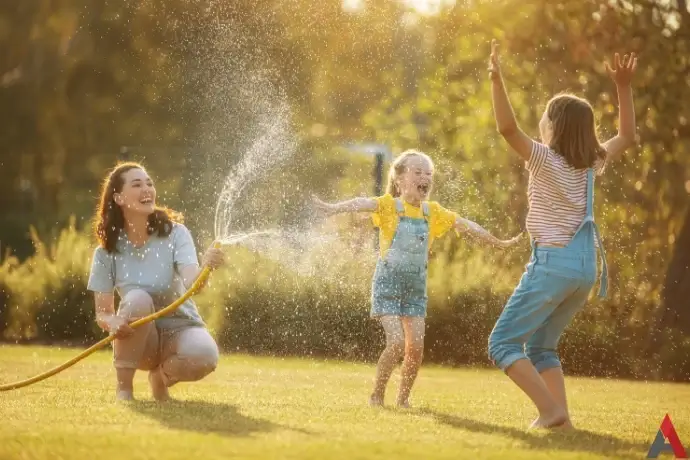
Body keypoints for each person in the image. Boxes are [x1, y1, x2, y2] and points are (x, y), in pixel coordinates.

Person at [486, 40, 637, 428]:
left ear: (552, 127)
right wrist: (623, 86)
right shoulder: (591, 164)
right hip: (583, 272)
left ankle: (549, 410)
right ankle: (562, 420)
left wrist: (496, 80)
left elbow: (506, 128)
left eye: (545, 118)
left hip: (552, 266)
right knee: (541, 346)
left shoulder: (544, 158)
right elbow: (627, 136)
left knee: (502, 343)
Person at [314, 149, 521, 408]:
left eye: (428, 173)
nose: (425, 177)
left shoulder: (432, 212)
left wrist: (498, 242)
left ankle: (403, 400)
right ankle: (376, 395)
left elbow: (466, 225)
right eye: (418, 172)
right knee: (397, 342)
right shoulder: (389, 206)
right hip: (387, 285)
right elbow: (361, 202)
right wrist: (333, 209)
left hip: (415, 288)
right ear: (399, 180)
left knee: (416, 347)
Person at [87, 162, 226, 401]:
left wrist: (206, 268)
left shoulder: (176, 233)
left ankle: (160, 378)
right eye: (137, 184)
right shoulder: (105, 253)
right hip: (141, 342)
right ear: (118, 197)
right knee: (137, 299)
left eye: (149, 183)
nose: (147, 189)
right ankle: (124, 389)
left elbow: (194, 284)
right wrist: (113, 322)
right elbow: (103, 313)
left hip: (181, 329)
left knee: (205, 355)